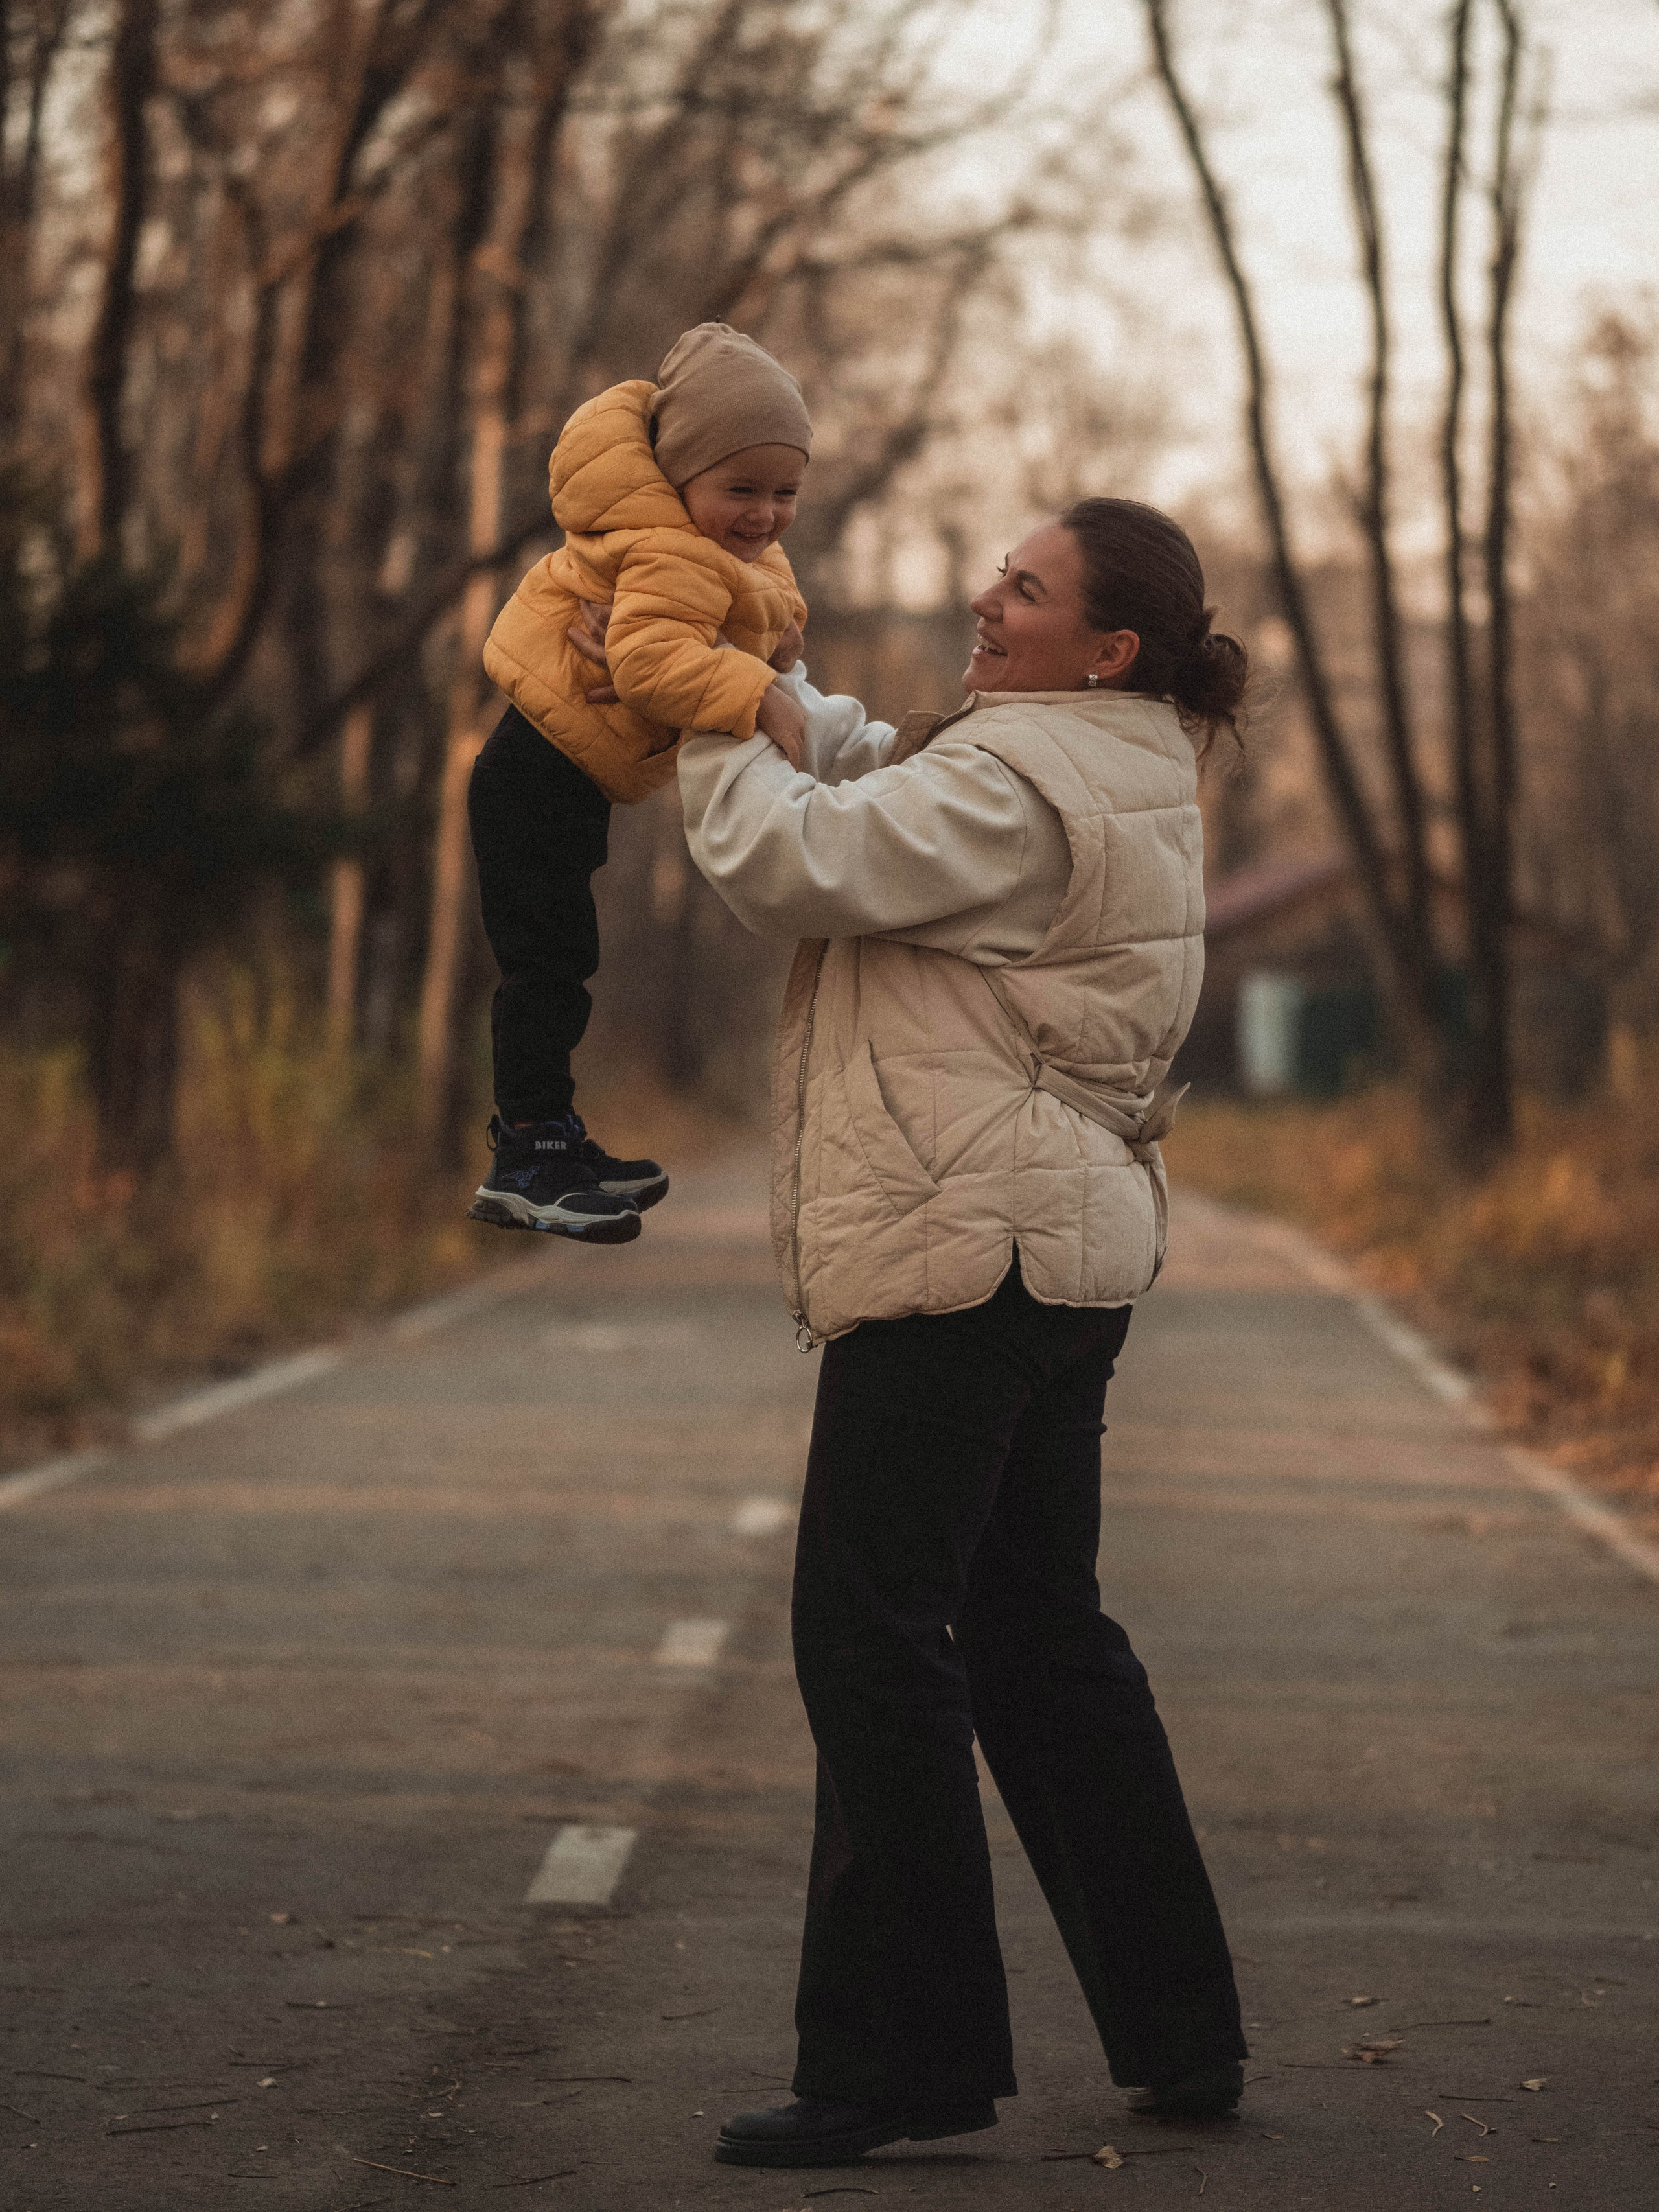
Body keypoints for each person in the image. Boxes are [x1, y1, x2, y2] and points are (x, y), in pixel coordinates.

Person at [673, 496, 1252, 2165]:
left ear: (1107, 646)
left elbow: (796, 860)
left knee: (868, 1637)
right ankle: (1179, 2028)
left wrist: (709, 716)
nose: (985, 599)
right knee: (1036, 1637)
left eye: (1026, 587)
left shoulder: (1013, 783)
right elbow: (886, 780)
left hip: (962, 1253)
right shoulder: (1111, 764)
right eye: (1000, 572)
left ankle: (901, 2059)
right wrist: (777, 693)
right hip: (1052, 1256)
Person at [465, 323, 813, 1243]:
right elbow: (655, 665)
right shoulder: (668, 549)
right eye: (741, 490)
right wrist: (760, 695)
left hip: (559, 778)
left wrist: (765, 647)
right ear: (679, 476)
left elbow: (756, 623)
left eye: (785, 492)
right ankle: (529, 1155)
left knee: (561, 962)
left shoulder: (713, 549)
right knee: (547, 968)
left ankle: (550, 1135)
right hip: (534, 777)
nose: (765, 515)